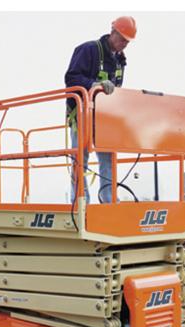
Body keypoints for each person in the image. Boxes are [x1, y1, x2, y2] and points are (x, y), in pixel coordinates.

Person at [65, 16, 137, 204]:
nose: (124, 44)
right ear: (112, 32)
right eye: (122, 39)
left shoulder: (120, 60)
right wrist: (94, 84)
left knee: (108, 160)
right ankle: (81, 202)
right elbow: (71, 79)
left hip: (105, 119)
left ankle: (109, 200)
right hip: (82, 115)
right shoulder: (89, 50)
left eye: (127, 42)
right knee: (80, 159)